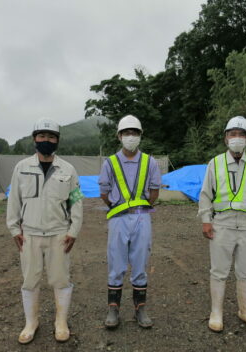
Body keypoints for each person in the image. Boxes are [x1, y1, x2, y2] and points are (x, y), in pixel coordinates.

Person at [6, 117, 84, 344]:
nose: (46, 141)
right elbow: (14, 201)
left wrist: (74, 230)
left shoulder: (68, 170)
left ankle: (61, 322)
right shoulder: (21, 168)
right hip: (29, 234)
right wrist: (13, 229)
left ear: (57, 141)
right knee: (30, 280)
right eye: (42, 136)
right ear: (34, 139)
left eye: (51, 137)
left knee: (61, 279)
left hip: (60, 233)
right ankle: (31, 322)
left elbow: (76, 201)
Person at [198, 116, 246, 332]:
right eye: (233, 134)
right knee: (219, 271)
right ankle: (216, 313)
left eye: (241, 135)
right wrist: (205, 220)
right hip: (222, 224)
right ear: (225, 138)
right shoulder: (215, 163)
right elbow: (205, 193)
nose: (237, 138)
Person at [98, 114, 161, 329]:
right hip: (118, 218)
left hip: (142, 217)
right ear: (119, 136)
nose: (130, 136)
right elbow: (104, 192)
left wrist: (141, 207)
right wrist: (118, 207)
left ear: (140, 136)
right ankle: (113, 310)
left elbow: (154, 191)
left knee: (140, 261)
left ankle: (140, 309)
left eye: (134, 133)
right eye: (127, 133)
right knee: (116, 263)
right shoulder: (111, 162)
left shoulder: (149, 161)